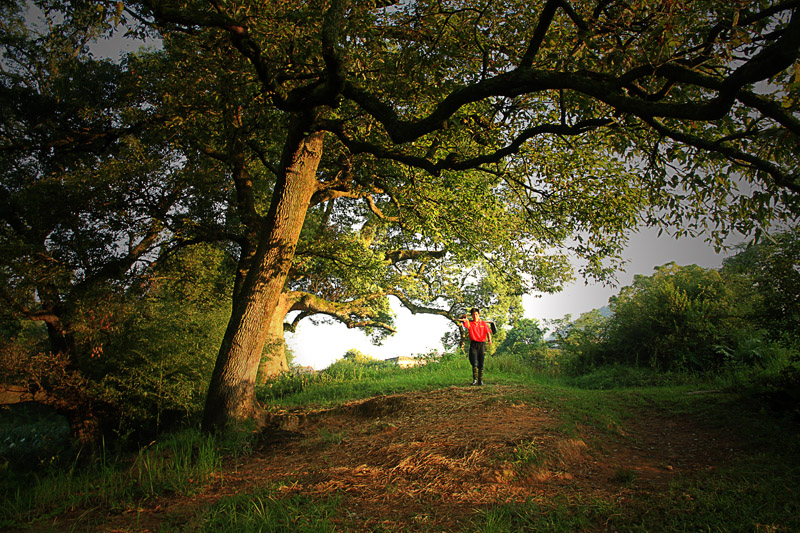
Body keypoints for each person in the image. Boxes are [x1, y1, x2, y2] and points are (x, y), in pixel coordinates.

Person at [460, 307, 492, 386]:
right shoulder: (470, 323)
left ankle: (480, 381)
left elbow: (488, 333)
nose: (475, 316)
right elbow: (464, 323)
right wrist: (463, 319)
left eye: (476, 314)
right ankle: (475, 380)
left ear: (479, 315)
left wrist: (489, 340)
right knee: (474, 361)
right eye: (473, 315)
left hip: (482, 344)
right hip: (473, 343)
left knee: (481, 361)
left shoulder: (483, 323)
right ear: (472, 316)